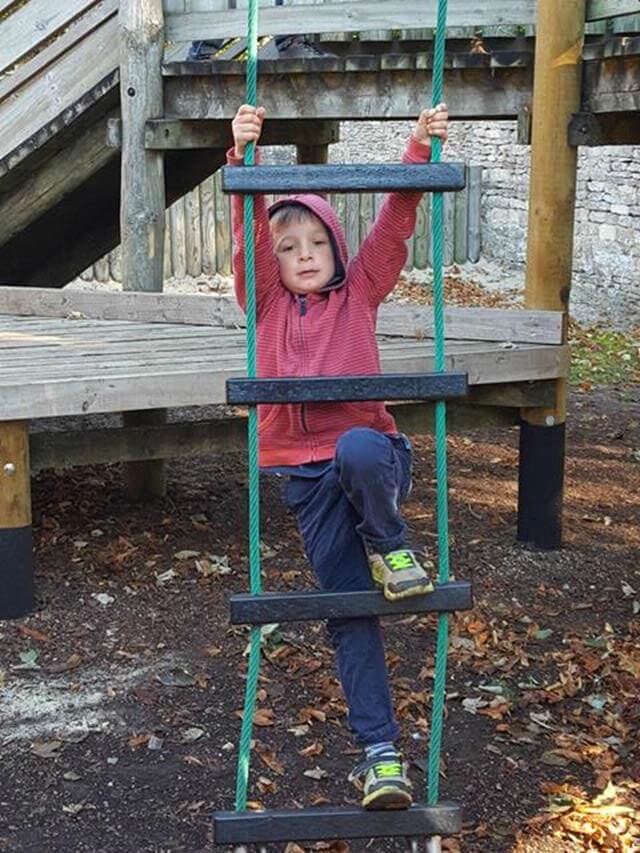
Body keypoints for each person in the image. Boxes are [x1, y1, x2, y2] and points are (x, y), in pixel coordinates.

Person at [228, 102, 449, 810]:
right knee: (349, 609)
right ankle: (381, 755)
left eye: (314, 241)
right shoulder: (263, 304)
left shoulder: (359, 294)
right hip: (304, 479)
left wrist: (417, 148)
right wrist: (244, 161)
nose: (302, 256)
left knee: (357, 444)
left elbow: (394, 224)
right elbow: (246, 236)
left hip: (371, 462)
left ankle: (392, 543)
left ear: (335, 244)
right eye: (287, 247)